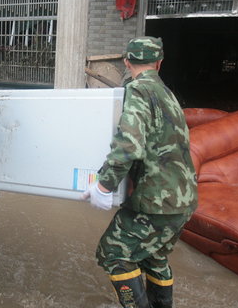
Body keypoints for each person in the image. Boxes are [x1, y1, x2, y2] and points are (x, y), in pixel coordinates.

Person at [82, 36, 197, 308]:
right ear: (159, 63)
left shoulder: (138, 91)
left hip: (155, 201)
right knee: (153, 256)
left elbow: (128, 145)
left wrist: (104, 186)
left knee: (113, 252)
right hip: (182, 200)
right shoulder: (167, 94)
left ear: (126, 62)